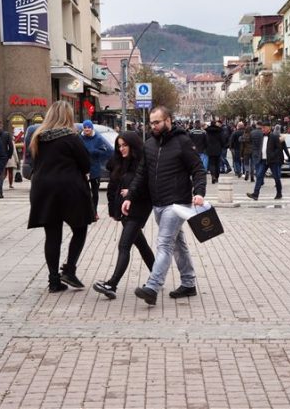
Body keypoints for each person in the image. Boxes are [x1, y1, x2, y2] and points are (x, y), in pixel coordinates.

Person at [122, 105, 206, 306]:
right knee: (177, 243)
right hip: (158, 203)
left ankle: (152, 287)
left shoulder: (183, 142)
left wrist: (199, 192)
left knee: (164, 243)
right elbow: (141, 174)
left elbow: (198, 169)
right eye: (151, 123)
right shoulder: (149, 144)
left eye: (157, 122)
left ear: (168, 120)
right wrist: (130, 196)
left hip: (177, 203)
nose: (154, 126)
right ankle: (189, 283)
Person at [28, 101, 94, 293]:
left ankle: (54, 281)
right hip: (69, 188)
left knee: (52, 235)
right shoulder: (71, 137)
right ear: (68, 116)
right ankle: (69, 270)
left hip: (43, 189)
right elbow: (86, 164)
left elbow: (34, 163)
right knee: (80, 228)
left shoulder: (37, 137)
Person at [93, 132, 155, 299]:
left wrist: (132, 192)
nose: (121, 149)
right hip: (124, 209)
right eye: (119, 146)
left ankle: (112, 284)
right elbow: (113, 187)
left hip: (139, 208)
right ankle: (157, 276)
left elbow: (149, 187)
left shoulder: (143, 162)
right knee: (141, 244)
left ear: (133, 146)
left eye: (124, 145)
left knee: (124, 245)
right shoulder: (119, 162)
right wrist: (113, 209)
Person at [246, 121, 290, 200]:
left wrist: (273, 155)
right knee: (259, 176)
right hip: (263, 160)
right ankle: (255, 194)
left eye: (264, 128)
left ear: (269, 128)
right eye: (262, 128)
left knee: (276, 177)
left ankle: (279, 193)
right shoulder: (261, 136)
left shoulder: (274, 136)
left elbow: (279, 148)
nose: (263, 129)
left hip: (273, 161)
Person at [80, 120, 113, 221]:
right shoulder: (79, 138)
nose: (87, 129)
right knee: (84, 192)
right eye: (85, 128)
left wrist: (94, 152)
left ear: (92, 128)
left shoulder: (98, 138)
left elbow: (107, 151)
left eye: (89, 127)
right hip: (83, 169)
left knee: (95, 192)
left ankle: (94, 212)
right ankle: (86, 212)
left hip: (95, 169)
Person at [0, 119, 15, 198]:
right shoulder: (6, 134)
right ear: (2, 126)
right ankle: (0, 192)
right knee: (1, 174)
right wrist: (9, 156)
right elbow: (11, 147)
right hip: (3, 157)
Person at [205, 119, 225, 184]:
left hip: (210, 149)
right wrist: (222, 146)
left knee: (211, 163)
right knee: (217, 163)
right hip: (218, 148)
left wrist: (206, 147)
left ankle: (213, 175)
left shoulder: (207, 131)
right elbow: (222, 140)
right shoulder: (219, 131)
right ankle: (216, 176)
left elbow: (205, 140)